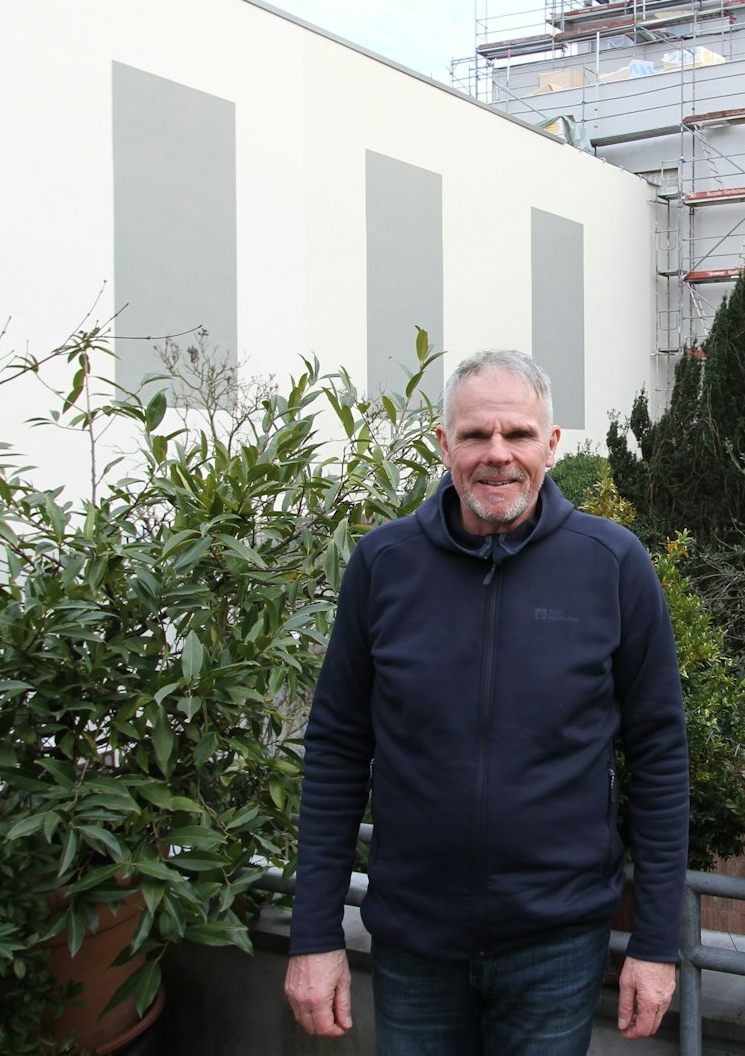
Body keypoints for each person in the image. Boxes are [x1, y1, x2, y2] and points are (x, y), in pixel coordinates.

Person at [284, 349, 689, 1053]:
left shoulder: (613, 565)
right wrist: (314, 932)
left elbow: (660, 757)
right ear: (444, 444)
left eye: (518, 435)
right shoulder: (383, 566)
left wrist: (656, 943)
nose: (497, 455)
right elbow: (336, 753)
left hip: (557, 947)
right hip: (414, 945)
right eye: (475, 436)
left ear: (553, 444)